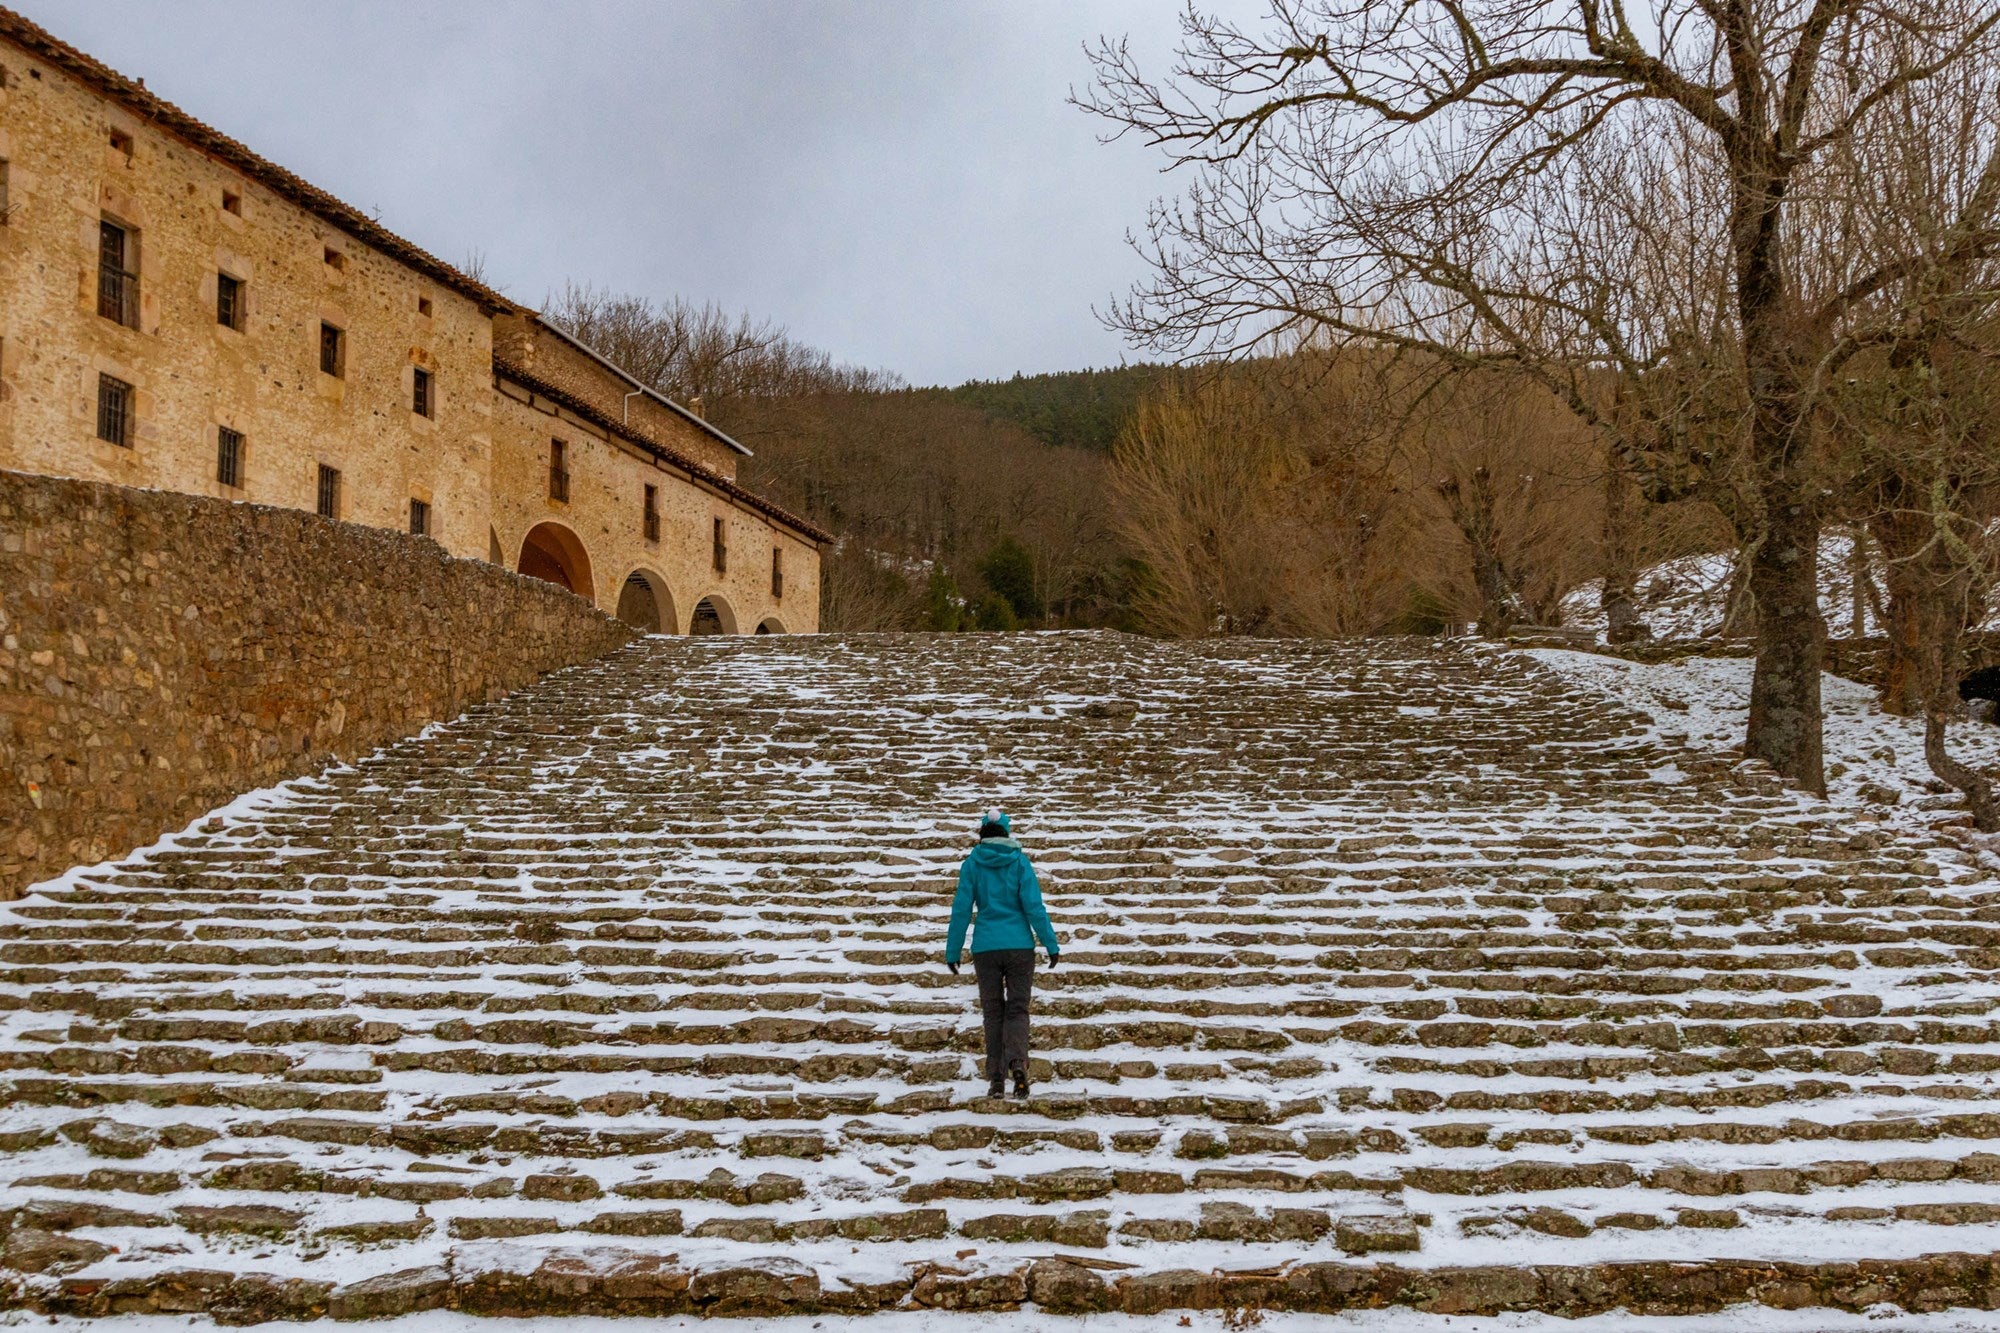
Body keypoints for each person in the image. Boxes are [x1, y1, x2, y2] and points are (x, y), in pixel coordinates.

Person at [944, 809, 1059, 1098]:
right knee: (1018, 1008)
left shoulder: (972, 864)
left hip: (986, 948)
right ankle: (1018, 1063)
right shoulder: (1020, 862)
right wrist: (1051, 943)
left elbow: (961, 909)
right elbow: (1034, 906)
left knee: (993, 1012)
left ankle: (996, 1080)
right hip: (1019, 946)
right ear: (1006, 833)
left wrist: (953, 949)